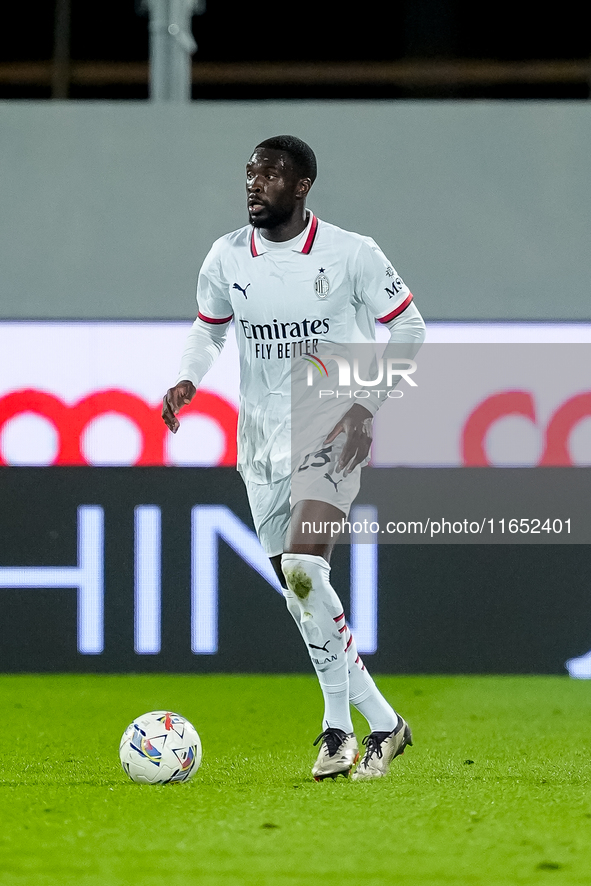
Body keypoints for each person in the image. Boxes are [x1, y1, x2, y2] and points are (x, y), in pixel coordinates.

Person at [162, 135, 426, 781]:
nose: (254, 184)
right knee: (298, 592)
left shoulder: (350, 253)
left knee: (306, 566)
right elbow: (209, 326)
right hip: (258, 438)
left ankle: (338, 728)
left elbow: (410, 327)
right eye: (249, 173)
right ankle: (381, 724)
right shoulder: (227, 256)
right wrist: (187, 377)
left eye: (269, 174)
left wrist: (366, 407)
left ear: (302, 184)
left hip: (329, 423)